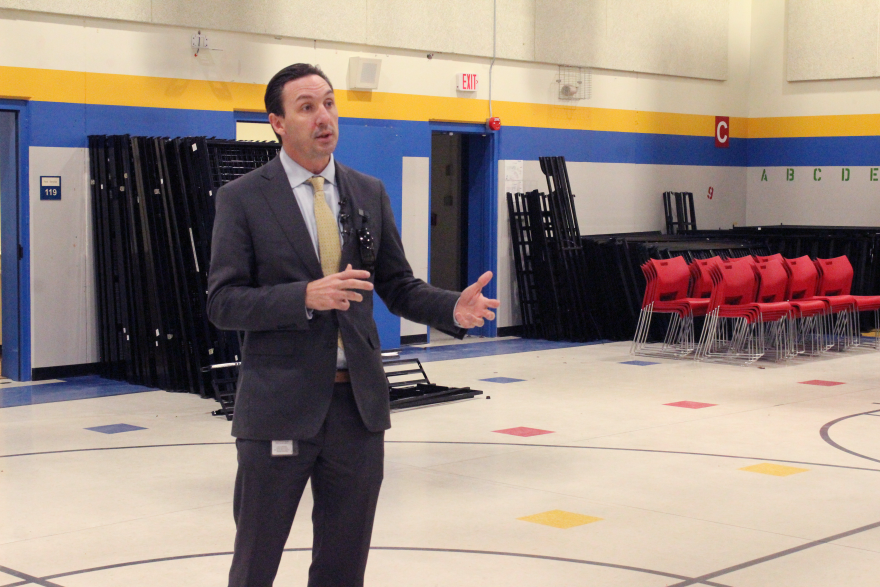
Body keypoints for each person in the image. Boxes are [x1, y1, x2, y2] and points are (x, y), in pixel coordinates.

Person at [206, 63, 500, 587]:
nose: (324, 117)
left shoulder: (367, 192)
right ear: (277, 122)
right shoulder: (243, 198)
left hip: (357, 410)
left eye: (330, 102)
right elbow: (223, 303)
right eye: (307, 107)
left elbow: (398, 285)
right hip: (278, 407)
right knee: (256, 559)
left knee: (344, 563)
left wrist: (453, 309)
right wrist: (304, 297)